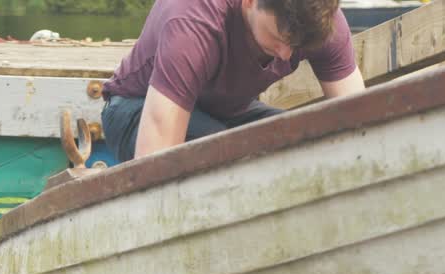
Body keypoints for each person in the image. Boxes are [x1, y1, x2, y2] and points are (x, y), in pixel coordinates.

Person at [101, 0, 365, 162]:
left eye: (297, 46)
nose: (286, 55)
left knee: (301, 140)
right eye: (278, 37)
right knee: (229, 152)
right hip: (135, 107)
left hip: (224, 110)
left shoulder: (320, 22)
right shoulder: (193, 21)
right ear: (249, 1)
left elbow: (360, 119)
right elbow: (153, 159)